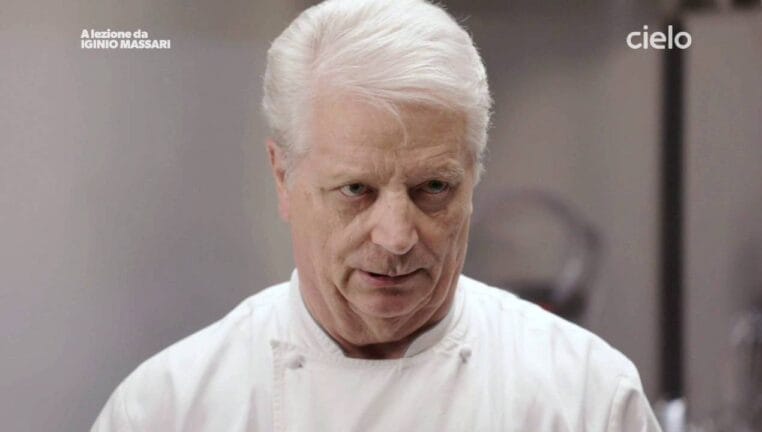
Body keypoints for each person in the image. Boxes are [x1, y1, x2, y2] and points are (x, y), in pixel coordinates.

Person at [92, 0, 662, 430]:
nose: (396, 237)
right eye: (356, 189)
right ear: (283, 177)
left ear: (473, 177)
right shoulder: (168, 409)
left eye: (433, 187)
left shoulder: (587, 399)